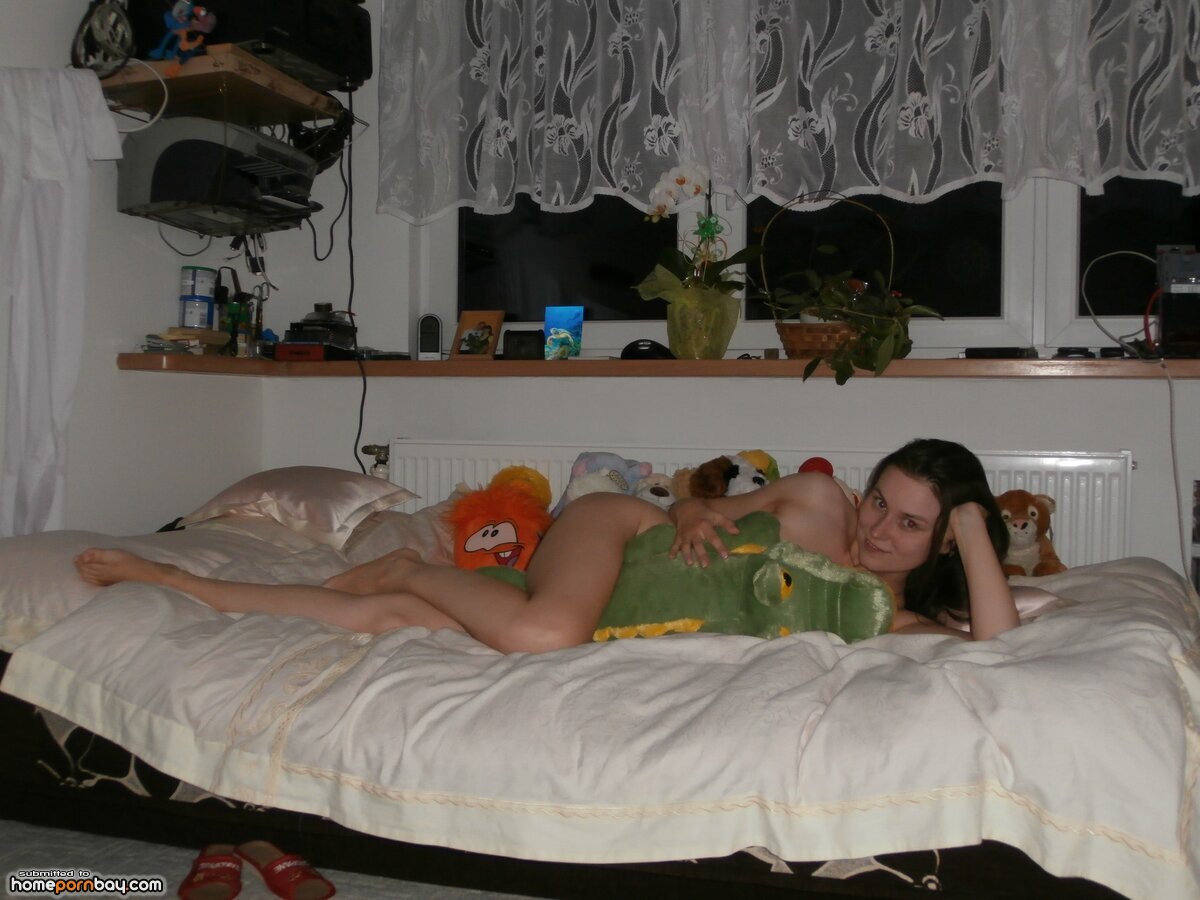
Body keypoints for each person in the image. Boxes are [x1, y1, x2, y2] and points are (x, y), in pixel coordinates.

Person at [73, 439, 1018, 652]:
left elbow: (1000, 649)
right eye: (880, 499)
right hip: (619, 537)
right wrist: (695, 514)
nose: (876, 529)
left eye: (910, 525)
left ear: (944, 543)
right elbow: (702, 506)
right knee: (542, 633)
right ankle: (414, 561)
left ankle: (177, 581)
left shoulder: (892, 618)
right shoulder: (816, 501)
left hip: (632, 616)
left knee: (386, 620)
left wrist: (974, 525)